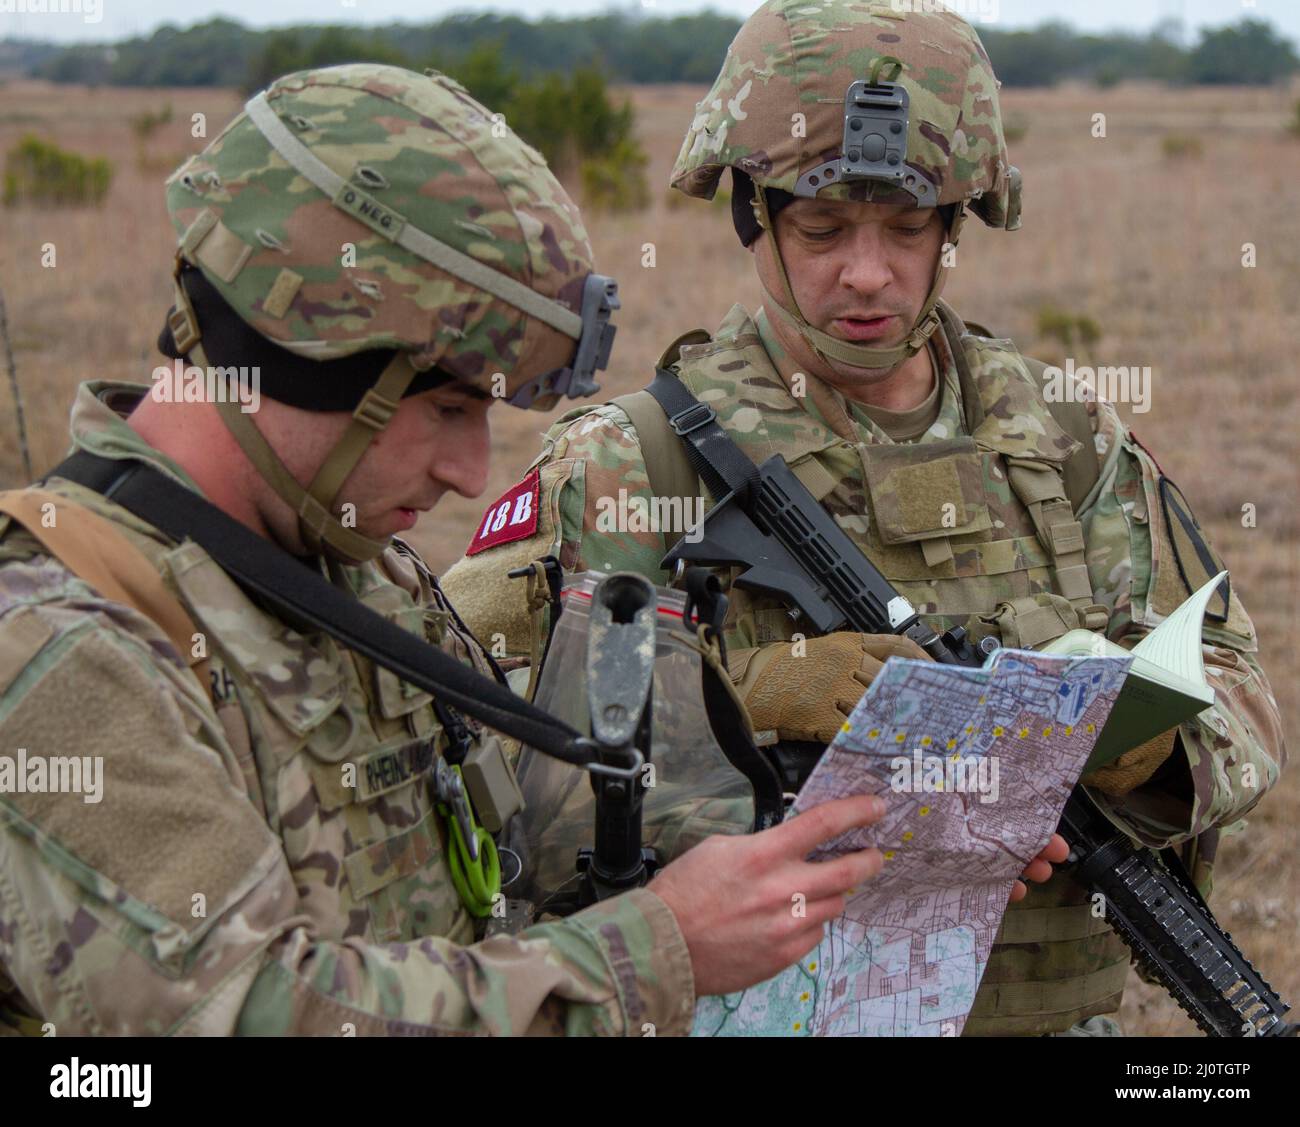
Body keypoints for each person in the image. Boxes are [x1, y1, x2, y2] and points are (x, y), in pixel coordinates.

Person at [0, 63, 915, 1037]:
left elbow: (525, 858)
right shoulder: (60, 644)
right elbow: (250, 1008)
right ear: (304, 354)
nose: (472, 474)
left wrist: (833, 852)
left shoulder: (355, 567)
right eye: (445, 407)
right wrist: (664, 947)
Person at [440, 1, 1287, 1036]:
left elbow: (1236, 689)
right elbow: (472, 737)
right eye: (823, 227)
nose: (868, 273)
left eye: (907, 225)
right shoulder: (632, 458)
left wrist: (1136, 746)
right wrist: (743, 695)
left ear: (955, 225)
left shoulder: (1058, 436)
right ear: (753, 215)